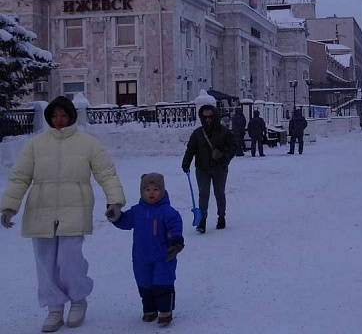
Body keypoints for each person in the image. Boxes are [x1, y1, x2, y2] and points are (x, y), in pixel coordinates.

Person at [0, 96, 126, 332]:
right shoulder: (35, 144)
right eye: (54, 115)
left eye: (63, 115)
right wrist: (9, 206)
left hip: (74, 208)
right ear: (49, 118)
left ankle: (78, 300)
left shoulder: (88, 143)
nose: (59, 120)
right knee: (45, 263)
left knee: (70, 260)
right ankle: (54, 307)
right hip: (41, 209)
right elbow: (20, 176)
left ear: (71, 116)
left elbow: (106, 173)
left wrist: (115, 201)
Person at [107, 173, 184, 326]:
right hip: (141, 256)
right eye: (147, 189)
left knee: (163, 282)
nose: (151, 193)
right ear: (142, 191)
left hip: (164, 256)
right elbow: (125, 222)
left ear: (162, 191)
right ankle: (149, 310)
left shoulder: (168, 212)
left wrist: (175, 244)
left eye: (155, 189)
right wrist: (115, 216)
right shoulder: (137, 211)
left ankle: (165, 312)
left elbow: (175, 228)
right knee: (144, 282)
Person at [181, 104, 237, 233]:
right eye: (205, 117)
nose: (207, 120)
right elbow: (191, 149)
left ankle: (221, 217)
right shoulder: (198, 133)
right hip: (202, 168)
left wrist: (224, 158)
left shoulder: (224, 131)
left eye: (210, 117)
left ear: (215, 116)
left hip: (219, 168)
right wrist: (186, 162)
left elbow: (233, 146)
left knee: (219, 193)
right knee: (203, 194)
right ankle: (202, 221)